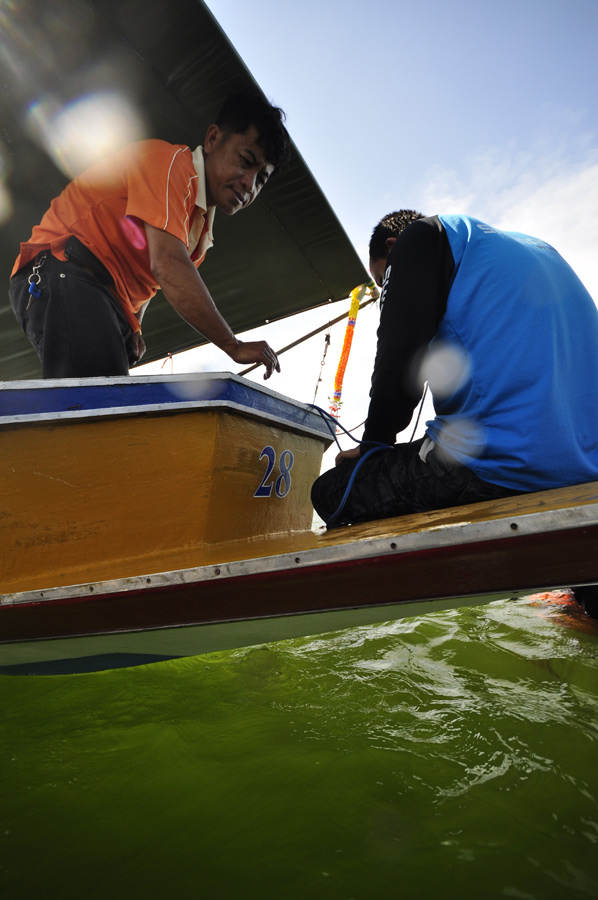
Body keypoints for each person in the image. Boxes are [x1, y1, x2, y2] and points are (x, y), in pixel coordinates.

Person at [311, 210, 598, 527]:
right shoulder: (536, 249)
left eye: (383, 280)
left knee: (332, 490)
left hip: (501, 465)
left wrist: (372, 448)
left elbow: (400, 357)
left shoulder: (420, 238)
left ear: (393, 247)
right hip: (586, 465)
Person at [8, 91, 291, 379]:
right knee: (99, 407)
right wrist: (233, 345)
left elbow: (151, 274)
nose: (249, 184)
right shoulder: (171, 165)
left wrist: (135, 327)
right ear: (213, 139)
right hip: (62, 268)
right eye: (245, 161)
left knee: (103, 403)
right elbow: (167, 266)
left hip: (96, 293)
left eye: (262, 178)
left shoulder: (199, 225)